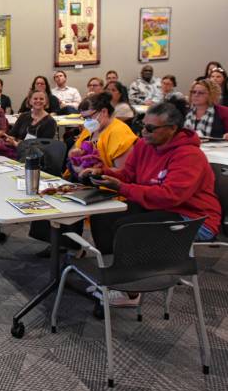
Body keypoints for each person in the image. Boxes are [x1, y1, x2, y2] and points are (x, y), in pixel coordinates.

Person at [86, 99, 222, 306]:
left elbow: (170, 196)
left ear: (172, 129)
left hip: (195, 218)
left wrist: (121, 188)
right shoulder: (144, 145)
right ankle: (121, 275)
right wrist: (102, 172)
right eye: (143, 126)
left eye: (150, 128)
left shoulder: (189, 155)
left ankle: (131, 291)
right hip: (160, 207)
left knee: (129, 228)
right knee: (103, 215)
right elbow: (128, 175)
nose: (143, 133)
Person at [30, 93, 138, 258]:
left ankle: (70, 245)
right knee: (50, 193)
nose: (86, 122)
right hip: (85, 178)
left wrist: (95, 169)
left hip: (106, 184)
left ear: (103, 112)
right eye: (83, 118)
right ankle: (62, 242)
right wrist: (75, 160)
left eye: (88, 117)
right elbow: (75, 151)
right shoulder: (92, 129)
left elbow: (124, 174)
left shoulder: (119, 132)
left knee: (67, 196)